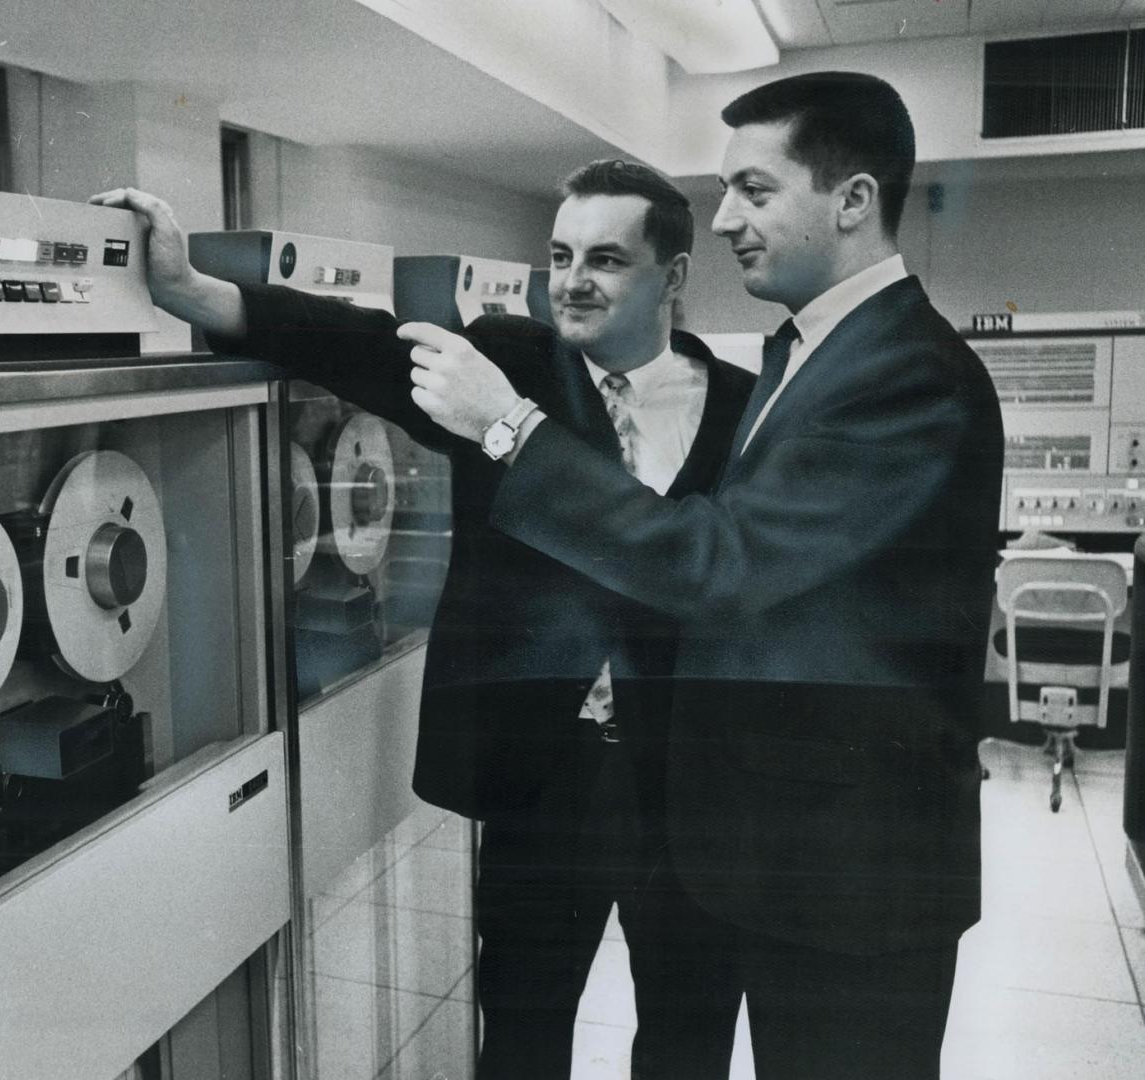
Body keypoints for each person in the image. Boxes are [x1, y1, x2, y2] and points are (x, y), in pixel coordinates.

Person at [93, 161, 754, 1079]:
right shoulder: (510, 366)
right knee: (521, 1028)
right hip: (542, 774)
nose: (571, 280)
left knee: (688, 1034)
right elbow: (358, 341)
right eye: (560, 255)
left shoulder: (746, 409)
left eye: (605, 259)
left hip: (687, 783)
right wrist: (189, 289)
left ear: (672, 276)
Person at [406, 72, 1004, 1079]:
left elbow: (718, 566)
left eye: (755, 191)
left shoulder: (903, 372)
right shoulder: (815, 352)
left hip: (851, 883)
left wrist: (510, 429)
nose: (725, 218)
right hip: (795, 854)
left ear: (852, 200)